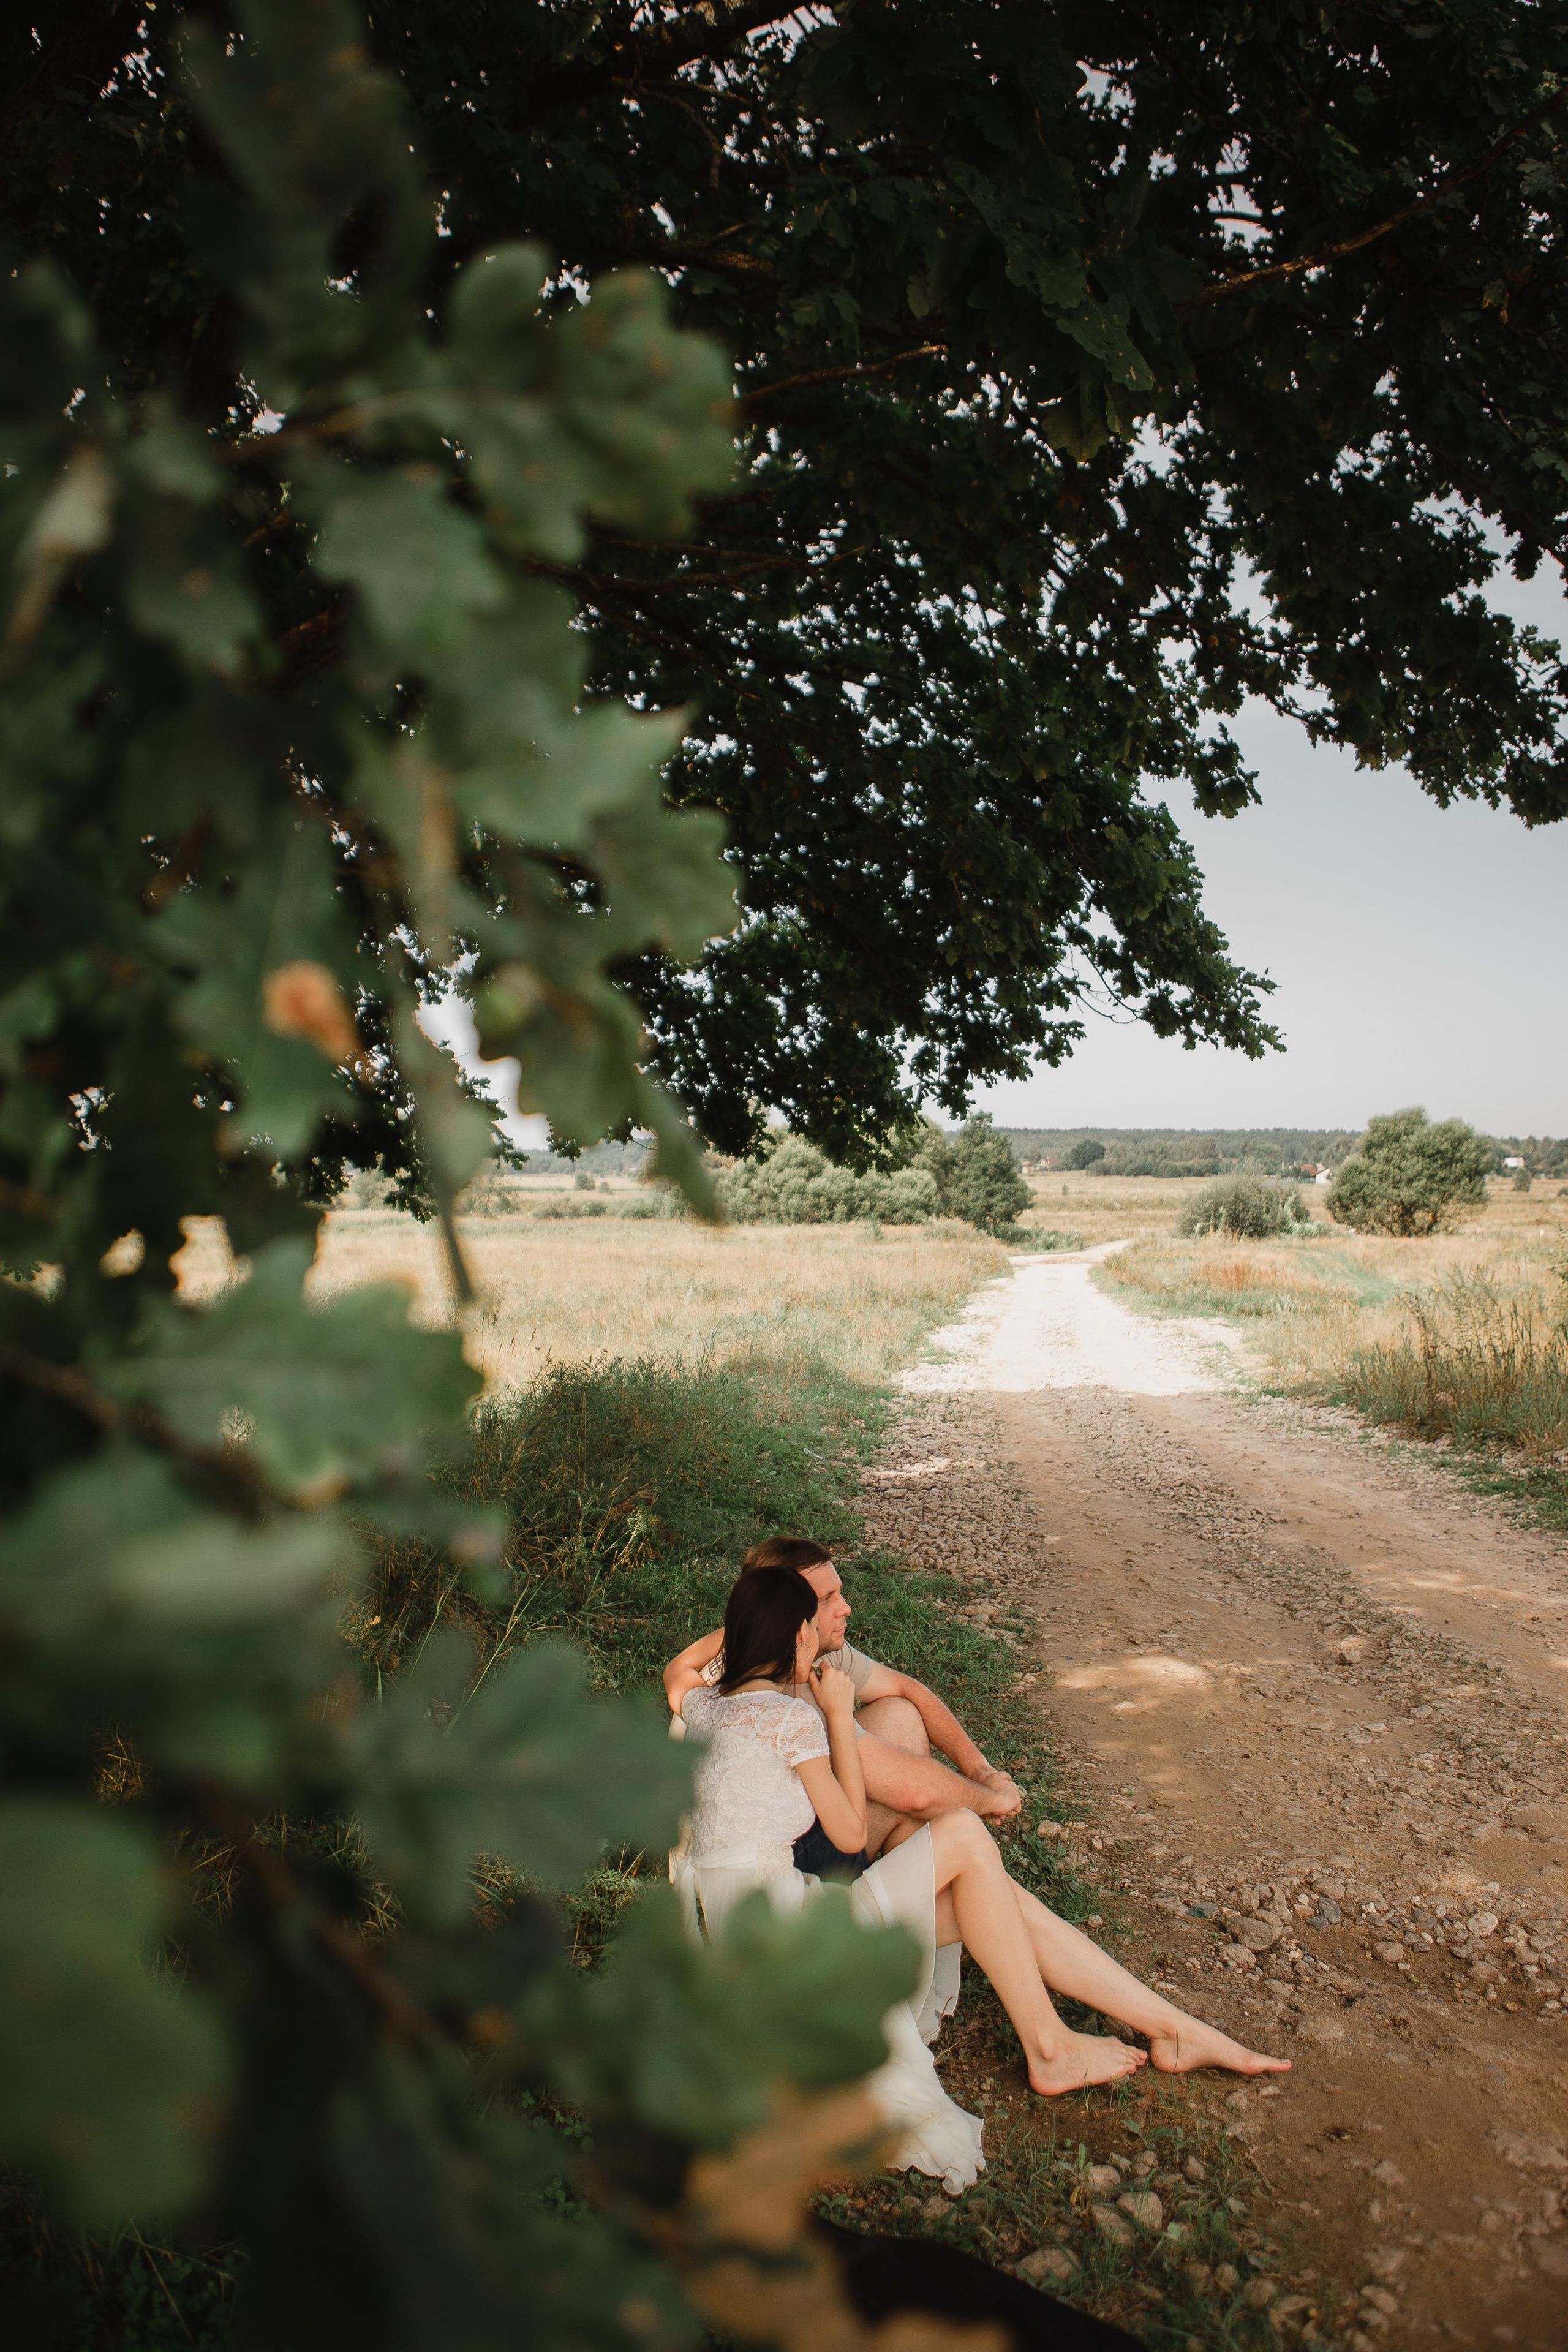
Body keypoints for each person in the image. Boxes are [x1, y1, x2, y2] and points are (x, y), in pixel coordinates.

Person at [674, 1565, 1289, 2192]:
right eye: (821, 1606)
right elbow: (853, 1833)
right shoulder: (793, 1719)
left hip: (742, 1944)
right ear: (798, 1634)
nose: (842, 1611)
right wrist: (834, 1715)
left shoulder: (700, 1704)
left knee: (978, 1895)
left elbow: (678, 1672)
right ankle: (1060, 2045)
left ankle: (1167, 2031)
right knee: (965, 1837)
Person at [663, 1536, 1020, 1866]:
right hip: (766, 1871)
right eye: (826, 1599)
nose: (846, 1608)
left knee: (900, 1713)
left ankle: (912, 1901)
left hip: (738, 1861)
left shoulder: (801, 1655)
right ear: (789, 1615)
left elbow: (906, 1688)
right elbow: (916, 1793)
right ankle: (901, 1910)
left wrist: (980, 1770)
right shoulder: (775, 1694)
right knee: (919, 1809)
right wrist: (995, 1799)